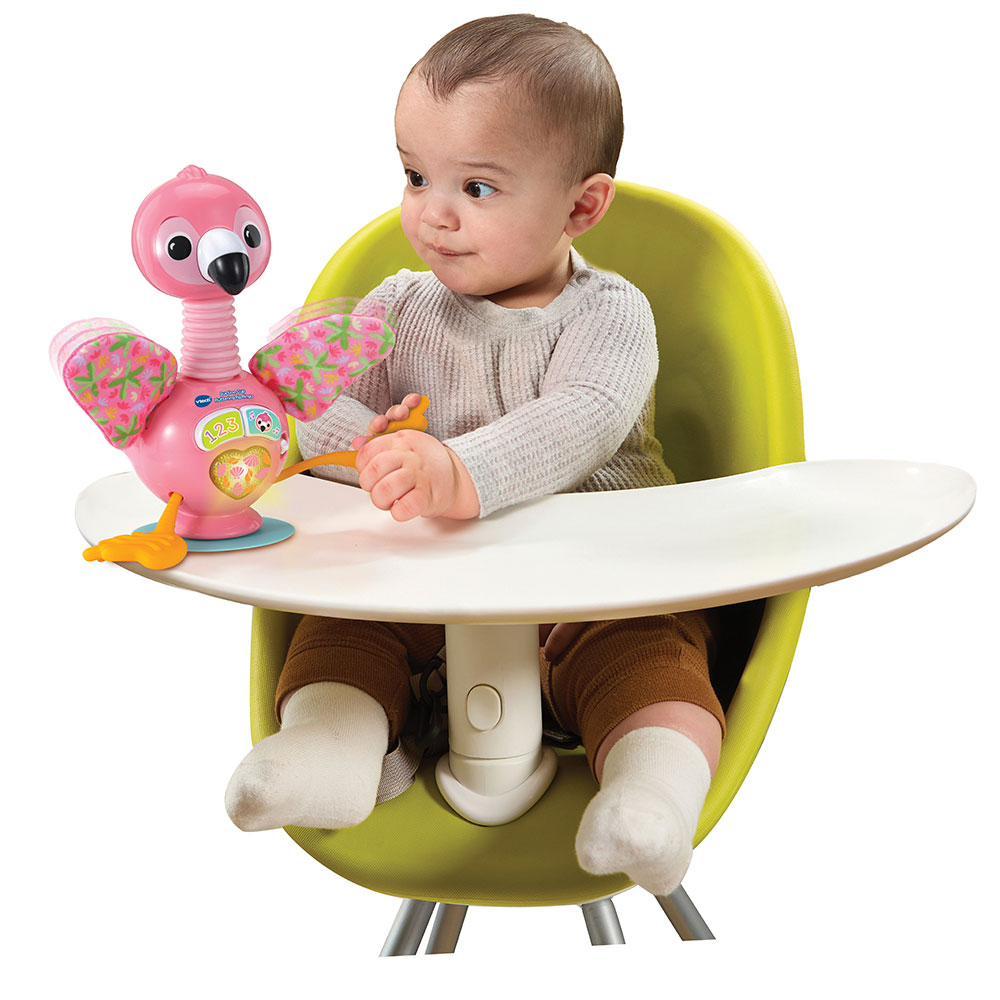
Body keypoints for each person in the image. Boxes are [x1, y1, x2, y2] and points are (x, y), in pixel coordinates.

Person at [225, 13, 726, 898]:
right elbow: (309, 409)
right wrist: (366, 444)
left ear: (581, 206)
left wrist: (454, 471)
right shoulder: (398, 307)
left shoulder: (608, 315)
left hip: (596, 593)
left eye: (478, 187)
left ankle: (650, 801)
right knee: (341, 634)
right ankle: (329, 752)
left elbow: (582, 416)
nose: (433, 212)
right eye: (415, 176)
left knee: (653, 666)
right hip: (423, 592)